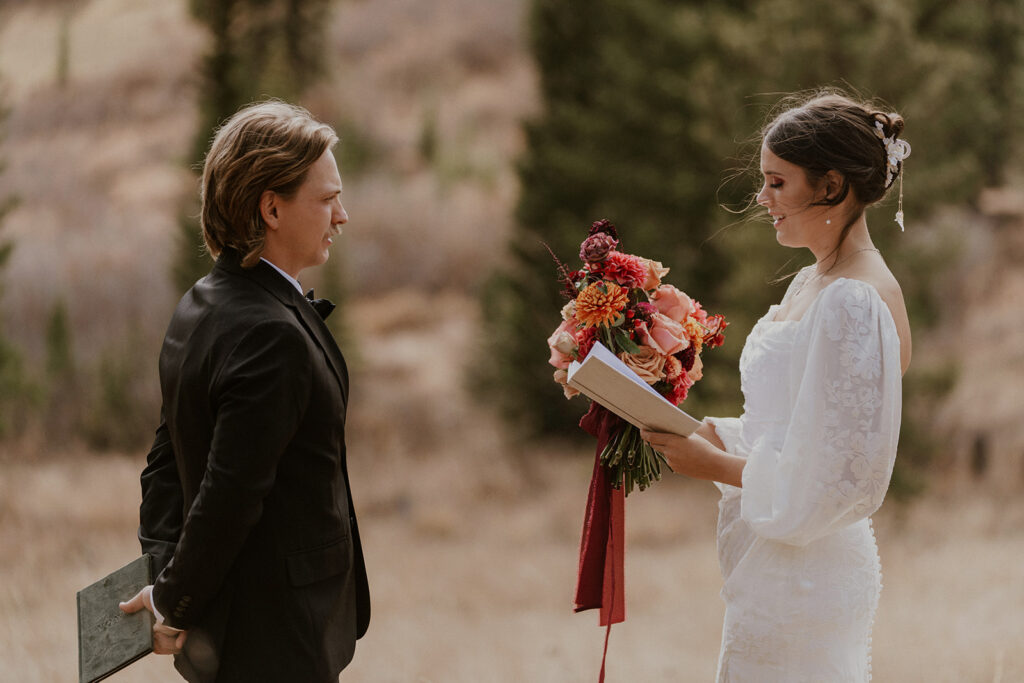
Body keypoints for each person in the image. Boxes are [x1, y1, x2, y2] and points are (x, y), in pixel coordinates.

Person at [641, 91, 912, 682]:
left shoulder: (854, 299)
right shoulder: (813, 281)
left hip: (808, 569)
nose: (762, 199)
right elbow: (788, 425)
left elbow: (837, 474)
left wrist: (711, 463)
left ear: (831, 186)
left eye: (777, 183)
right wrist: (709, 431)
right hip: (773, 561)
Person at [119, 100, 370, 682]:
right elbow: (229, 494)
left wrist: (165, 577)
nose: (343, 216)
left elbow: (162, 468)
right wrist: (170, 598)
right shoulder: (268, 332)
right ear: (272, 207)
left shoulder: (201, 303)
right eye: (328, 198)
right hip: (277, 635)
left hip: (237, 633)